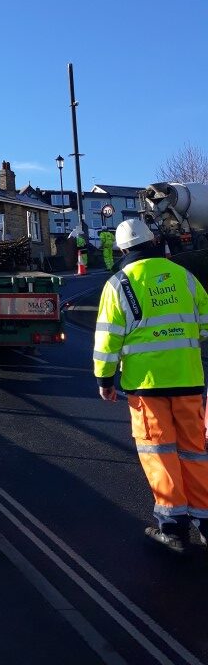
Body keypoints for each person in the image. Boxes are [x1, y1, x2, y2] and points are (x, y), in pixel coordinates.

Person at [93, 218, 208, 553]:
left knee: (160, 453)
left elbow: (108, 340)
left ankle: (173, 528)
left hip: (146, 386)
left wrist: (105, 379)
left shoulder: (119, 284)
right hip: (188, 380)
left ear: (123, 250)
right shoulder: (184, 277)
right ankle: (205, 522)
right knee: (194, 452)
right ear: (153, 242)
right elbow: (204, 325)